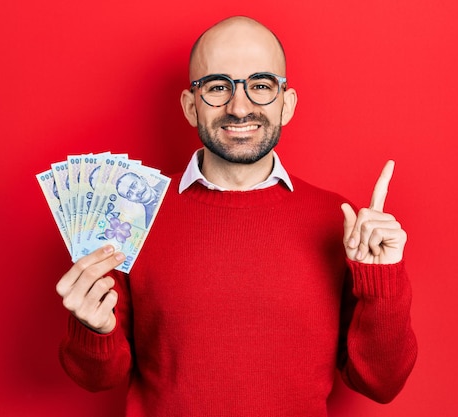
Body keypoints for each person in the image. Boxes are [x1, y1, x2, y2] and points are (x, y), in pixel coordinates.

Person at [56, 16, 417, 416]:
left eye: (261, 86)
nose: (239, 107)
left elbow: (381, 384)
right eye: (217, 87)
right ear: (191, 107)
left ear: (287, 104)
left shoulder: (341, 222)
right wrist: (94, 330)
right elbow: (95, 379)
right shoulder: (128, 215)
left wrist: (382, 282)